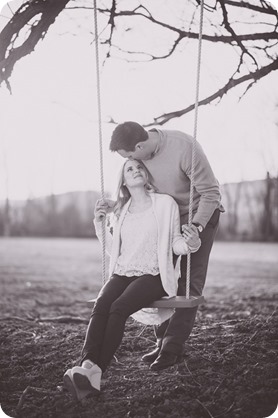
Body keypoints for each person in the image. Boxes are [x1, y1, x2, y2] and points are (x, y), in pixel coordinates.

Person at [63, 159, 200, 401]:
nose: (135, 170)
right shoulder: (121, 211)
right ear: (124, 180)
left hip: (153, 274)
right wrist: (99, 222)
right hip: (123, 272)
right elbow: (113, 250)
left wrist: (191, 243)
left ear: (146, 175)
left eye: (139, 168)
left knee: (118, 308)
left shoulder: (165, 204)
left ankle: (97, 372)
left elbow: (176, 242)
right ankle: (86, 367)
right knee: (101, 306)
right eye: (129, 169)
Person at [110, 121, 224, 371]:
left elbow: (211, 193)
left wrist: (195, 228)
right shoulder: (140, 155)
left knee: (189, 282)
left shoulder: (184, 148)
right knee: (159, 273)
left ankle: (173, 346)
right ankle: (161, 339)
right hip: (165, 216)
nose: (129, 161)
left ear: (139, 146)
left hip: (199, 214)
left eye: (129, 155)